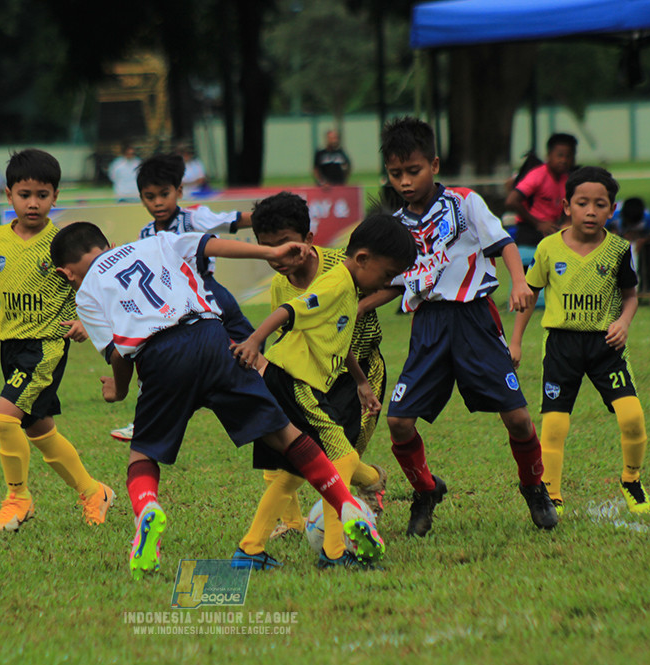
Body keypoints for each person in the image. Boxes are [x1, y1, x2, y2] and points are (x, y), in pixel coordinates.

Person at [50, 221, 384, 579]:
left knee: (143, 455)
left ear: (66, 274)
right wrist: (270, 252)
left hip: (160, 358)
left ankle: (147, 510)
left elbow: (120, 354)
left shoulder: (85, 295)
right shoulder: (154, 244)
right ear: (111, 243)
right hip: (212, 338)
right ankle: (345, 504)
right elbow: (210, 246)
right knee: (285, 434)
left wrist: (117, 390)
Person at [377, 116, 557, 536]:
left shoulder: (465, 203)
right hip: (429, 325)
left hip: (475, 319)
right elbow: (392, 283)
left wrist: (517, 281)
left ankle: (534, 487)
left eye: (413, 171)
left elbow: (504, 242)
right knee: (399, 421)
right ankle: (426, 490)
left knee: (517, 418)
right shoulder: (395, 227)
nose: (404, 181)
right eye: (395, 173)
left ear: (434, 164)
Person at [230, 209, 417, 570]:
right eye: (387, 274)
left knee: (294, 472)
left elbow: (335, 340)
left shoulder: (348, 287)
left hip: (295, 381)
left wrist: (361, 381)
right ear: (363, 259)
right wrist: (254, 341)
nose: (385, 284)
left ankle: (250, 549)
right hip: (297, 383)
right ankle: (335, 553)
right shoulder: (336, 284)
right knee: (341, 458)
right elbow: (290, 310)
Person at [0, 149, 114, 534]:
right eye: (25, 195)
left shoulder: (62, 243)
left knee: (4, 418)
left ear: (56, 196)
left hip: (45, 347)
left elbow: (94, 286)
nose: (34, 203)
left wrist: (84, 322)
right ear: (9, 195)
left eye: (42, 195)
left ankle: (18, 499)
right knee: (38, 429)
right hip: (10, 344)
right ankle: (94, 492)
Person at [509, 166, 650, 516]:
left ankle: (631, 480)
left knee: (632, 417)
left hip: (607, 346)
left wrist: (623, 322)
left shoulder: (618, 250)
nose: (591, 211)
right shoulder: (548, 249)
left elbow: (631, 295)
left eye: (600, 204)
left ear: (612, 208)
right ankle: (552, 493)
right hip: (562, 346)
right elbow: (529, 295)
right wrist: (515, 341)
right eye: (583, 203)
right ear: (566, 206)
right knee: (555, 425)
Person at [108, 153, 255, 443]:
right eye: (150, 197)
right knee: (152, 353)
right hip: (174, 305)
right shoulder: (146, 232)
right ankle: (144, 420)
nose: (158, 203)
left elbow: (234, 221)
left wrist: (274, 218)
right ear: (141, 198)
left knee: (250, 348)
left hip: (208, 294)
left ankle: (278, 395)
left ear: (179, 192)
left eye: (164, 194)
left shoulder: (194, 217)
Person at [506, 133, 578, 250]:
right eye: (560, 155)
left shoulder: (567, 179)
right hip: (530, 233)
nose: (564, 160)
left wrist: (566, 223)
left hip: (552, 232)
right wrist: (538, 223)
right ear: (549, 155)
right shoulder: (538, 175)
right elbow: (511, 201)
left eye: (568, 156)